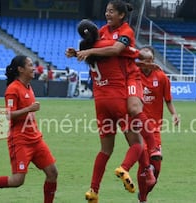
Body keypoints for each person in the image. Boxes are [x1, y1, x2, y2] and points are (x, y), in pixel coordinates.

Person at [66, 19, 155, 203]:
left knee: (105, 150)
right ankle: (125, 168)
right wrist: (142, 57)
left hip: (100, 103)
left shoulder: (85, 48)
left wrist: (76, 53)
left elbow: (105, 56)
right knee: (137, 143)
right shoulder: (106, 45)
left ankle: (93, 190)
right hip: (117, 100)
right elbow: (126, 52)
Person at [75, 0, 162, 161]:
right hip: (118, 80)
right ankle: (141, 168)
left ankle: (154, 148)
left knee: (134, 109)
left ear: (121, 15)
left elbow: (116, 50)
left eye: (111, 11)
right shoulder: (102, 31)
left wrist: (87, 51)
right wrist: (78, 52)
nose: (107, 14)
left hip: (131, 76)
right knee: (130, 129)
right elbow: (106, 52)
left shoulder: (126, 31)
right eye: (107, 11)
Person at [0, 55, 58, 203]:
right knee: (18, 180)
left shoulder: (28, 86)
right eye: (30, 65)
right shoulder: (13, 89)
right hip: (20, 141)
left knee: (52, 173)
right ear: (21, 69)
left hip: (35, 139)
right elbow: (9, 115)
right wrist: (30, 108)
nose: (33, 68)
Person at [137, 46, 180, 203]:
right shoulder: (134, 75)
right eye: (143, 60)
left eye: (149, 60)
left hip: (155, 129)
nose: (146, 63)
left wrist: (174, 114)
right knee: (145, 165)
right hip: (138, 127)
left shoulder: (161, 78)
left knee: (157, 168)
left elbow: (168, 100)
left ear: (153, 61)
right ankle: (142, 198)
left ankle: (144, 193)